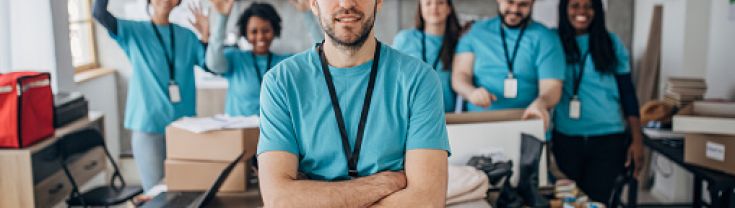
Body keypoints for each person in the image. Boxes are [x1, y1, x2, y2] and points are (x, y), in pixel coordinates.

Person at [256, 0, 451, 207]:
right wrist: (383, 184)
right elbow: (279, 200)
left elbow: (427, 200)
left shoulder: (419, 79)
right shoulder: (281, 82)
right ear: (313, 4)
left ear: (379, 2)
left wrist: (314, 197)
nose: (347, 3)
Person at [93, 0, 207, 192]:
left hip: (183, 127)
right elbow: (99, 13)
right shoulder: (133, 31)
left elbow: (211, 65)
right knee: (157, 193)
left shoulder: (186, 35)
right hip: (148, 128)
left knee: (186, 189)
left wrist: (206, 36)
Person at [552, 0, 644, 202]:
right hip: (567, 138)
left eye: (589, 6)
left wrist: (637, 139)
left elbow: (627, 92)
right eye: (575, 5)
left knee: (596, 201)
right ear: (564, 9)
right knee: (567, 201)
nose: (582, 11)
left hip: (608, 139)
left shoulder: (611, 43)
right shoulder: (553, 41)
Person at [452, 0, 565, 128]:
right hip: (479, 124)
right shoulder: (475, 32)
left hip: (527, 123)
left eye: (523, 4)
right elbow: (461, 75)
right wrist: (470, 92)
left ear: (533, 3)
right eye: (510, 2)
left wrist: (542, 103)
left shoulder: (546, 37)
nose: (515, 9)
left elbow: (552, 87)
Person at [206, 1, 290, 117]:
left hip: (272, 132)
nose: (260, 37)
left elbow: (321, 58)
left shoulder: (285, 63)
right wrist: (222, 17)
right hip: (238, 132)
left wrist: (308, 14)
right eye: (254, 32)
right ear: (245, 33)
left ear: (274, 30)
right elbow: (213, 64)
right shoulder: (235, 58)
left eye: (266, 30)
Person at [393, 0, 462, 113]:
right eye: (428, 3)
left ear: (449, 8)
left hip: (448, 116)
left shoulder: (460, 41)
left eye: (440, 3)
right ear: (421, 9)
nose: (434, 8)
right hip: (411, 113)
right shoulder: (404, 39)